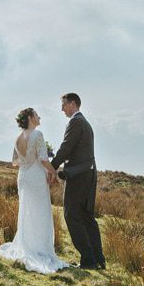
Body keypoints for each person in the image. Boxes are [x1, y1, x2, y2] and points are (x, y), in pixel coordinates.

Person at [0, 107, 70, 274]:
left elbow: (15, 162)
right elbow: (43, 159)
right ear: (30, 118)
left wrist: (28, 158)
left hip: (23, 176)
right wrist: (53, 172)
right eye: (37, 115)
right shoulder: (37, 135)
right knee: (41, 212)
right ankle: (39, 250)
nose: (39, 117)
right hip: (36, 176)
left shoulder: (17, 138)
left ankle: (27, 245)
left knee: (27, 211)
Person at [50, 92, 105, 270]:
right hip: (88, 174)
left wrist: (51, 167)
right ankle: (98, 260)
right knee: (87, 217)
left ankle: (88, 260)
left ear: (72, 104)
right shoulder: (85, 123)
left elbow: (66, 148)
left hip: (79, 176)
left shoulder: (76, 122)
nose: (62, 108)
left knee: (71, 214)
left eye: (64, 105)